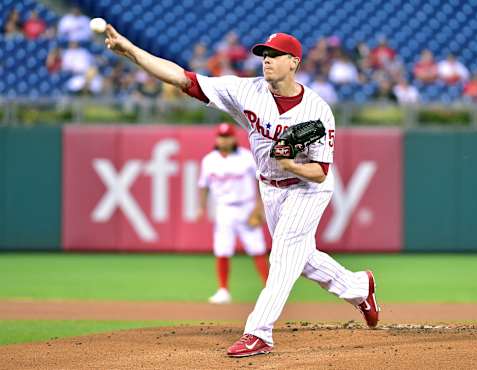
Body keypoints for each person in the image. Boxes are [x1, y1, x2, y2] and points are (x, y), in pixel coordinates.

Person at [104, 26, 380, 357]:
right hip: (270, 188)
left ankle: (259, 332)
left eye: (274, 56)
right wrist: (133, 51)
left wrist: (290, 164)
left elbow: (320, 173)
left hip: (306, 188)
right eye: (264, 55)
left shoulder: (318, 110)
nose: (266, 61)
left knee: (282, 257)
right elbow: (183, 79)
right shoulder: (245, 91)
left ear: (293, 62)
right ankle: (358, 287)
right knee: (301, 260)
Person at [197, 123, 269, 304]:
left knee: (257, 249)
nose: (224, 140)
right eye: (221, 136)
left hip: (246, 207)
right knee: (222, 248)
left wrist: (259, 208)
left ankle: (270, 290)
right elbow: (203, 186)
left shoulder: (246, 157)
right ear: (216, 138)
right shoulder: (209, 160)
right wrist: (201, 207)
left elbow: (260, 182)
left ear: (234, 137)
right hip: (224, 208)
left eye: (228, 136)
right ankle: (223, 290)